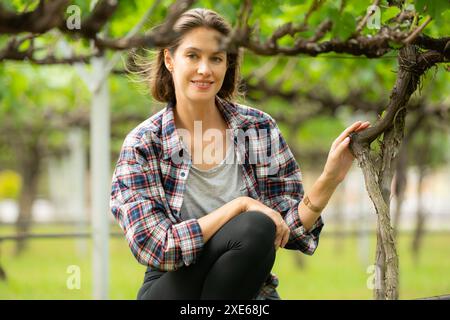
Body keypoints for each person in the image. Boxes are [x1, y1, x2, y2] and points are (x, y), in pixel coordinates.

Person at [110, 8, 370, 300]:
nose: (205, 69)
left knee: (258, 227)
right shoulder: (143, 144)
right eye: (193, 56)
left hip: (247, 293)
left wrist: (330, 178)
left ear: (227, 64)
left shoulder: (258, 128)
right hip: (171, 288)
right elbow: (157, 247)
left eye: (216, 58)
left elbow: (290, 231)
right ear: (170, 60)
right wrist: (240, 205)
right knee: (254, 221)